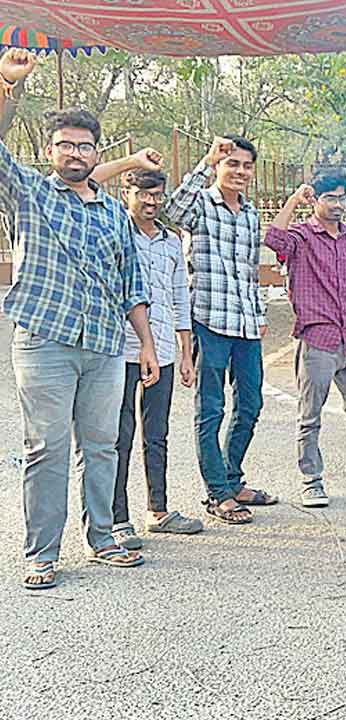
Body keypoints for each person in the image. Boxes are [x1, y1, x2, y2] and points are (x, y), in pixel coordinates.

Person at [0, 48, 158, 589]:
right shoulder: (28, 192)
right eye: (65, 144)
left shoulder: (115, 209)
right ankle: (41, 552)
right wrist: (6, 85)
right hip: (44, 340)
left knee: (102, 444)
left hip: (107, 346)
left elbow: (130, 282)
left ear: (96, 152)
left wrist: (148, 345)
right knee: (45, 446)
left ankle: (104, 536)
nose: (75, 153)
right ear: (51, 150)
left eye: (85, 145)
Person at [266, 172, 346, 508]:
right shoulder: (301, 237)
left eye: (342, 198)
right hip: (318, 337)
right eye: (330, 198)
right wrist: (294, 199)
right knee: (310, 414)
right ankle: (310, 480)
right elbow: (273, 240)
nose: (338, 205)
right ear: (316, 200)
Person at [166, 135, 277, 525]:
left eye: (247, 166)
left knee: (251, 405)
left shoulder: (251, 214)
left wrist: (259, 312)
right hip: (209, 321)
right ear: (218, 167)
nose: (240, 172)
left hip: (245, 323)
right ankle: (217, 493)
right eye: (232, 164)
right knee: (210, 408)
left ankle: (231, 477)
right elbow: (172, 211)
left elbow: (250, 270)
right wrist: (206, 159)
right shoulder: (200, 205)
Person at [111, 168, 204, 545]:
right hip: (121, 349)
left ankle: (158, 510)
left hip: (164, 349)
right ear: (126, 193)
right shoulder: (117, 236)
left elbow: (180, 297)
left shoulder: (170, 242)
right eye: (143, 195)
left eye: (157, 196)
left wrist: (185, 353)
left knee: (157, 433)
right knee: (120, 435)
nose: (151, 202)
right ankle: (117, 519)